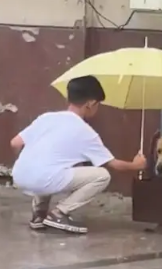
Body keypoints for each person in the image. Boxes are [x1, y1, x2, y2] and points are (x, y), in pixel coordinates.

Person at [10, 75, 147, 234]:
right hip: (44, 179)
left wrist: (27, 164)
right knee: (102, 175)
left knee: (52, 166)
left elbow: (15, 143)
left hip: (19, 176)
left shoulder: (47, 118)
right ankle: (59, 213)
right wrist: (137, 165)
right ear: (90, 104)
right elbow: (113, 164)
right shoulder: (85, 132)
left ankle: (39, 215)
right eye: (98, 105)